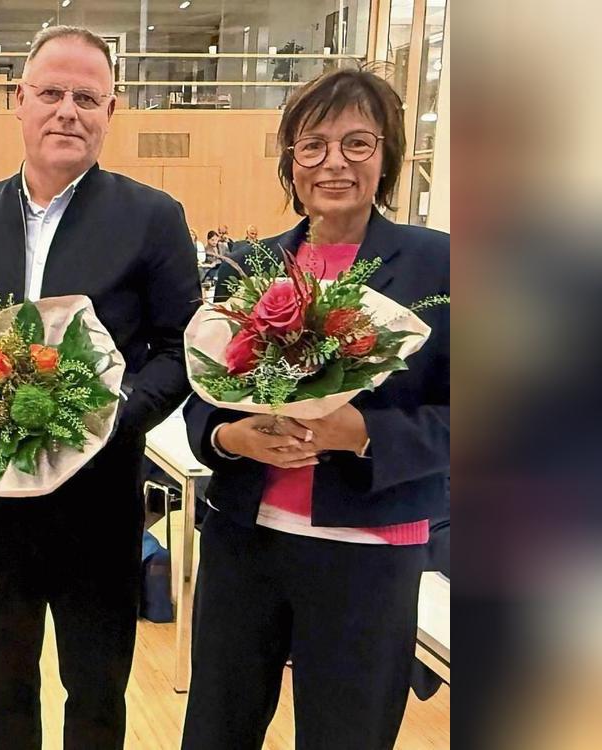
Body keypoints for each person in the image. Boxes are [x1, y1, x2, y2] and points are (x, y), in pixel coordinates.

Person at [0, 25, 199, 749]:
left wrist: (112, 416)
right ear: (18, 100)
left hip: (100, 500)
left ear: (111, 111)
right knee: (2, 677)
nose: (67, 111)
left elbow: (181, 348)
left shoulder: (153, 217)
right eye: (51, 93)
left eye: (87, 97)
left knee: (96, 686)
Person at [181, 68, 449, 750]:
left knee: (346, 736)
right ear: (291, 162)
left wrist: (365, 432)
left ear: (387, 156)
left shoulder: (439, 264)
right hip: (245, 539)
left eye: (357, 143)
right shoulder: (250, 267)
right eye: (313, 145)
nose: (334, 162)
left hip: (368, 550)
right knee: (216, 729)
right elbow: (202, 397)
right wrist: (233, 438)